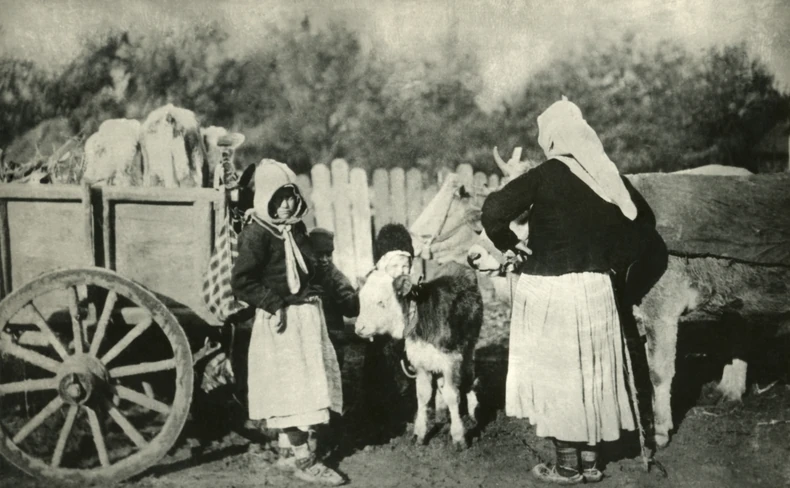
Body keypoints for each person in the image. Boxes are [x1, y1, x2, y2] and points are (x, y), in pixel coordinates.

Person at [481, 98, 652, 484]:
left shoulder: (545, 175)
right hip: (595, 289)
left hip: (550, 292)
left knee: (558, 378)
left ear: (552, 139)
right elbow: (643, 228)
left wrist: (510, 244)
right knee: (591, 375)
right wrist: (611, 262)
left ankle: (567, 466)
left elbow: (492, 210)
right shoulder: (605, 177)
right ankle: (591, 465)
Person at [231, 159, 345, 486]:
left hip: (305, 319)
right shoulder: (256, 234)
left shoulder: (295, 229)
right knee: (291, 390)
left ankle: (286, 450)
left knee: (307, 383)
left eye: (291, 196)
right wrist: (273, 303)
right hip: (280, 322)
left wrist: (315, 290)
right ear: (265, 197)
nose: (287, 204)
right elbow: (242, 282)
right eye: (279, 198)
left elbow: (307, 266)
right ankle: (304, 460)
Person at [308, 227, 360, 369]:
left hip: (333, 337)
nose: (324, 260)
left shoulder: (335, 277)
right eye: (319, 255)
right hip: (309, 335)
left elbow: (351, 309)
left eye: (328, 254)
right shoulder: (303, 274)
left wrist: (357, 296)